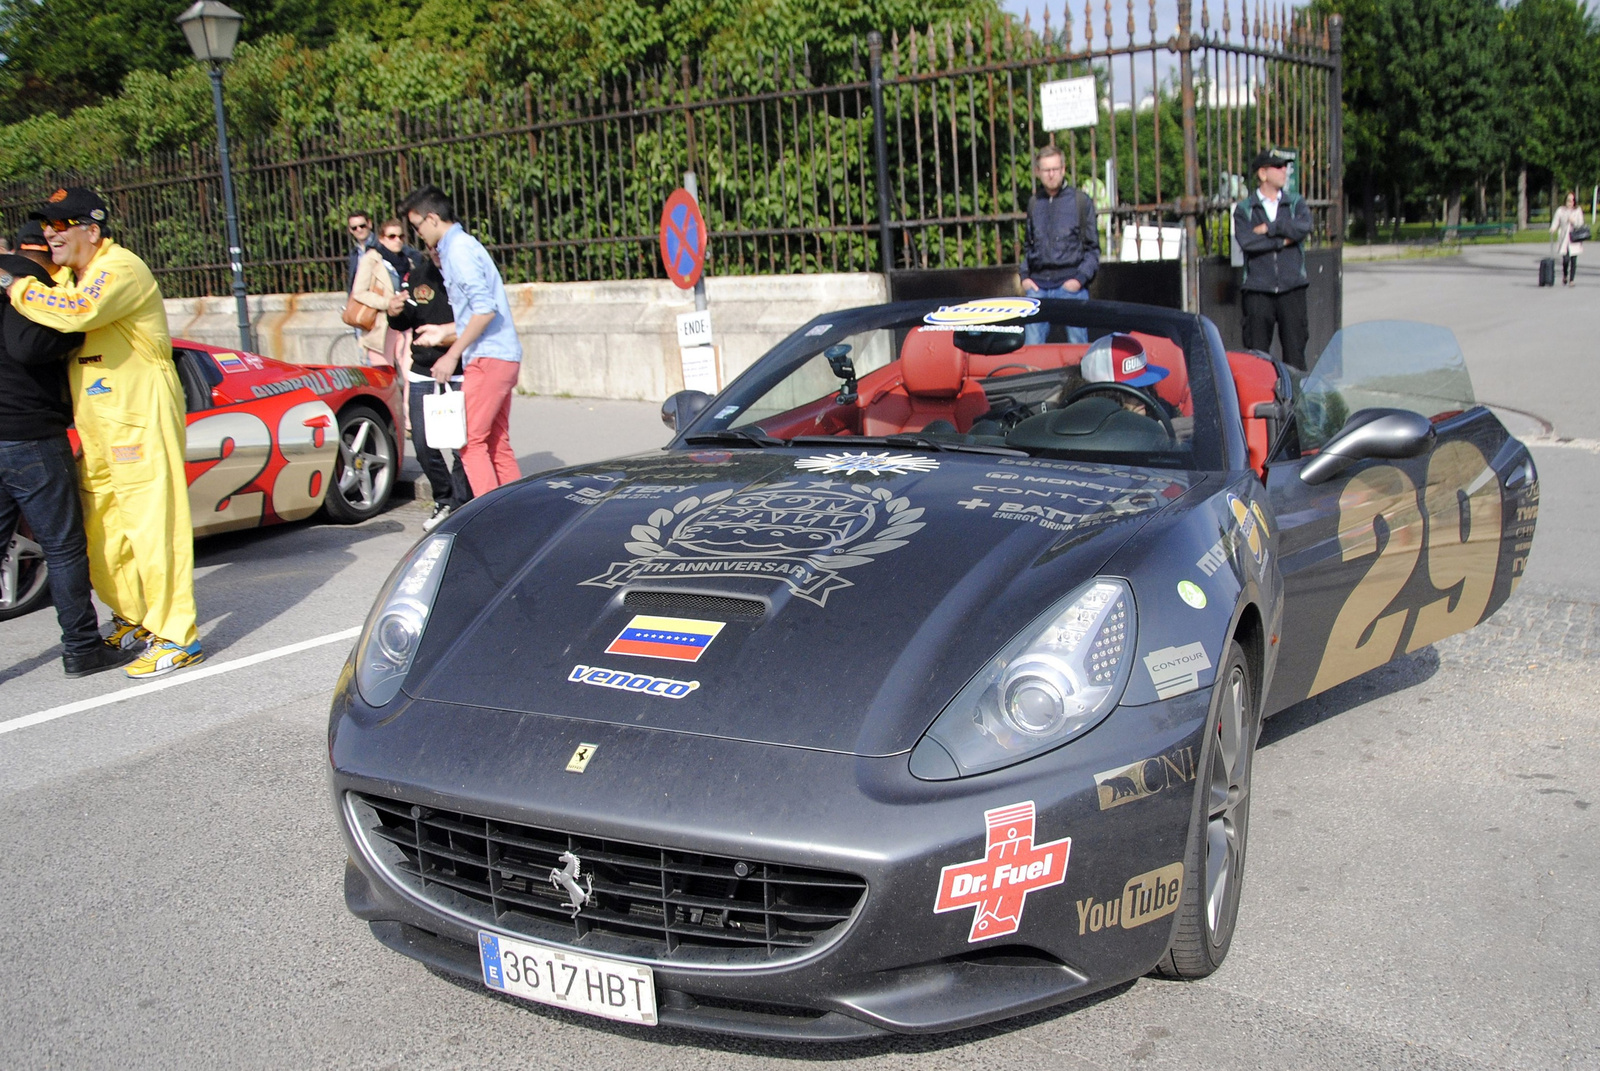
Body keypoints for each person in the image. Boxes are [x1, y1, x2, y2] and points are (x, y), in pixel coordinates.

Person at [1, 187, 202, 678]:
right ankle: (134, 618)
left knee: (153, 528)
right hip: (98, 424)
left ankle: (177, 635)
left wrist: (18, 285)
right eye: (46, 226)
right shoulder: (71, 276)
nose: (51, 234)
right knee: (106, 530)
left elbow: (77, 312)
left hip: (139, 416)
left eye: (62, 225)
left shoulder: (121, 268)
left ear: (92, 230)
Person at [0, 221, 137, 677]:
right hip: (30, 435)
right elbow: (29, 346)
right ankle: (82, 648)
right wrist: (72, 336)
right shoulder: (28, 290)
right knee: (62, 548)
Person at [400, 185, 523, 496]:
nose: (419, 236)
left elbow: (484, 310)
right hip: (500, 355)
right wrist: (444, 332)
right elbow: (479, 312)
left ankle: (491, 520)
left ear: (431, 218)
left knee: (469, 443)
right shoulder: (464, 246)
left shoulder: (457, 250)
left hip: (487, 358)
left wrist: (451, 353)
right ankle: (518, 514)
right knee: (495, 442)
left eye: (418, 227)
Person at [387, 243, 473, 531]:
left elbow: (478, 320)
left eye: (441, 248)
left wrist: (445, 338)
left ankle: (462, 503)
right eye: (431, 249)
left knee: (462, 444)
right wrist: (394, 312)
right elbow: (404, 320)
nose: (437, 253)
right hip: (424, 371)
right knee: (423, 443)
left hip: (461, 369)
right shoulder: (419, 276)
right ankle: (444, 498)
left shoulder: (465, 275)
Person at [1234, 149, 1314, 370]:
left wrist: (1270, 228)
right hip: (1259, 290)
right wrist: (1283, 240)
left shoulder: (1295, 202)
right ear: (1263, 173)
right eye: (1278, 167)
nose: (1284, 171)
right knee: (1257, 356)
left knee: (1295, 355)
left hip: (1292, 288)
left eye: (1284, 166)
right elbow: (1248, 242)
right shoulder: (1245, 209)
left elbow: (1304, 227)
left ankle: (1295, 401)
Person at [1021, 145, 1100, 345]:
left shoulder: (1080, 202)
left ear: (1064, 169)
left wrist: (1079, 279)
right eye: (1046, 170)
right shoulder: (1034, 203)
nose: (1051, 175)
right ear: (1038, 172)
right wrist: (1025, 277)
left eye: (1055, 169)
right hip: (1038, 288)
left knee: (1078, 351)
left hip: (1071, 286)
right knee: (1032, 353)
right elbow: (1027, 245)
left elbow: (1093, 249)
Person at [348, 219, 409, 367]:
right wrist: (387, 303)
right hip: (381, 324)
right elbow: (359, 292)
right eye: (392, 236)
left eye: (401, 237)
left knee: (410, 374)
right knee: (385, 374)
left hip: (406, 321)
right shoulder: (372, 259)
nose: (398, 240)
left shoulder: (407, 260)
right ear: (382, 238)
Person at [1551, 190, 1584, 287]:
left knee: (1573, 259)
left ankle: (1572, 280)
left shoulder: (1577, 210)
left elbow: (1580, 223)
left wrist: (1574, 221)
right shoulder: (1561, 210)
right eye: (1568, 200)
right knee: (1565, 259)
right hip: (1564, 238)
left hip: (1574, 238)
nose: (1570, 203)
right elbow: (1556, 220)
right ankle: (1565, 275)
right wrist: (1553, 228)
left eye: (1572, 201)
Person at [345, 212, 376, 292]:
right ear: (350, 230)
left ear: (369, 224)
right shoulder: (354, 253)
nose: (359, 230)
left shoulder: (381, 245)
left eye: (362, 226)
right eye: (354, 228)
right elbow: (352, 281)